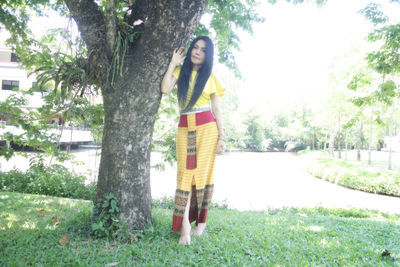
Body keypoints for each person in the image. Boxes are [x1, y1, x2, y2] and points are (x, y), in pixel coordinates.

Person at [161, 36, 226, 245]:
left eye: (203, 50)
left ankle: (200, 224)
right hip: (184, 126)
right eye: (195, 48)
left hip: (207, 127)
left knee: (202, 175)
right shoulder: (181, 72)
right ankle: (185, 226)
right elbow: (164, 89)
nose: (197, 52)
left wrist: (222, 136)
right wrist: (173, 63)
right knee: (185, 176)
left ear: (208, 55)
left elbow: (217, 109)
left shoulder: (211, 77)